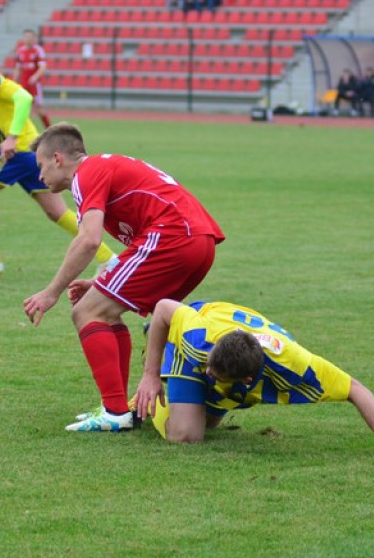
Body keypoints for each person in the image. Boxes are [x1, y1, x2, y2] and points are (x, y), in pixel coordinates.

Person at [22, 123, 225, 433]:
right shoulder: (102, 168)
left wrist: (51, 292)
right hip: (197, 241)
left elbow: (88, 241)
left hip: (173, 236)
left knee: (87, 311)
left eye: (41, 166)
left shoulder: (86, 174)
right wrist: (100, 282)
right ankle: (118, 407)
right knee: (106, 310)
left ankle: (115, 412)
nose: (39, 176)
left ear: (58, 158)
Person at [130, 299, 374, 460]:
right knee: (185, 436)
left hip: (242, 378)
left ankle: (200, 401)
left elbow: (356, 389)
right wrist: (151, 375)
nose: (208, 372)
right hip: (188, 340)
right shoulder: (200, 338)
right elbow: (163, 307)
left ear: (246, 378)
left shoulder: (297, 368)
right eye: (209, 369)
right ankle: (138, 404)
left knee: (206, 422)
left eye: (214, 374)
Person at [0, 40, 116, 277]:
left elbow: (24, 97)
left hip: (19, 151)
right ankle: (110, 259)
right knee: (57, 212)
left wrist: (12, 137)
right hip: (32, 155)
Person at [14, 29, 51, 129]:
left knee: (39, 109)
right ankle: (24, 131)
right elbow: (18, 68)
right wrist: (14, 82)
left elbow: (43, 67)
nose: (28, 39)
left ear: (34, 39)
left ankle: (49, 129)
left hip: (34, 85)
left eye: (30, 37)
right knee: (23, 108)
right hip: (23, 84)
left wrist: (35, 77)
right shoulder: (20, 51)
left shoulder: (38, 50)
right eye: (26, 37)